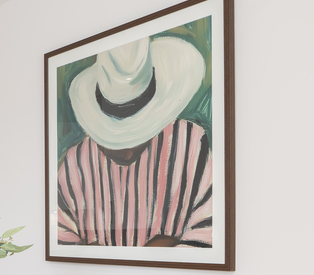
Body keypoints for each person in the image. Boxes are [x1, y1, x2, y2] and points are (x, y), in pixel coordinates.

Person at [56, 35, 212, 248]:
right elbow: (59, 238)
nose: (127, 152)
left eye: (139, 135)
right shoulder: (76, 162)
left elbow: (211, 231)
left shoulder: (192, 143)